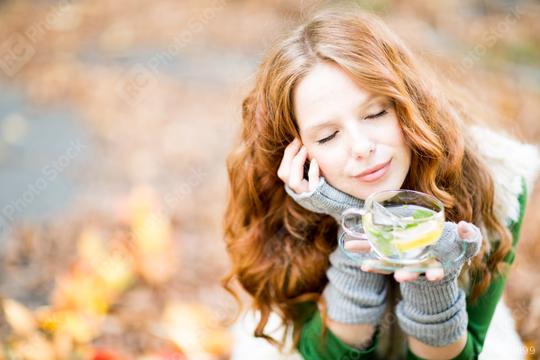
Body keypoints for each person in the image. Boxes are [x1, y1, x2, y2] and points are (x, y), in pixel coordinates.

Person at [222, 8, 540, 360]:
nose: (361, 147)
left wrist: (433, 282)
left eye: (376, 113)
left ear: (408, 105)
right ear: (297, 153)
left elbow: (465, 354)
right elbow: (321, 355)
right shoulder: (284, 205)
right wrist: (351, 218)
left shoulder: (496, 180)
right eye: (328, 136)